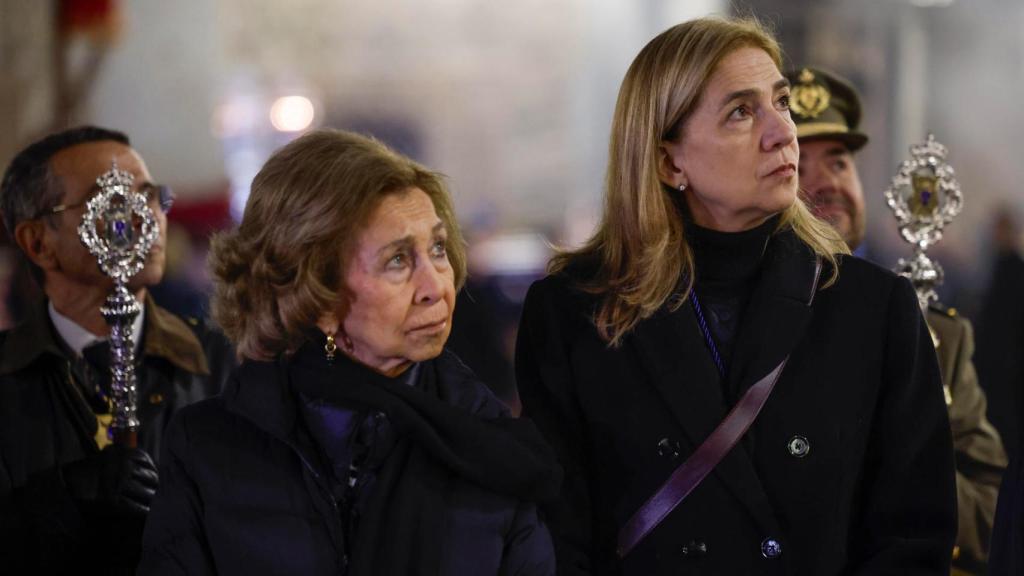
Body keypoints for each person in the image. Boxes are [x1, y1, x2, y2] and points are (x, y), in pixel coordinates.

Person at [515, 17, 956, 575]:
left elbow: (913, 538)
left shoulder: (873, 308)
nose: (783, 133)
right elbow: (559, 537)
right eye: (741, 112)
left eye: (781, 103)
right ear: (669, 161)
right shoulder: (572, 313)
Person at [139, 129, 560, 575]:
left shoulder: (490, 444)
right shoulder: (209, 449)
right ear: (314, 292)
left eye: (437, 248)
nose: (436, 285)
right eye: (398, 260)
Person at [787, 66, 1007, 576]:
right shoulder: (731, 327)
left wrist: (907, 456)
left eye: (839, 161)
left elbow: (995, 517)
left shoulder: (937, 335)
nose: (826, 182)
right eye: (799, 164)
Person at [0, 126, 234, 573]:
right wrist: (59, 499)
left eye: (150, 197)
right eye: (112, 201)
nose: (146, 219)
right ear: (37, 242)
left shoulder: (226, 364)